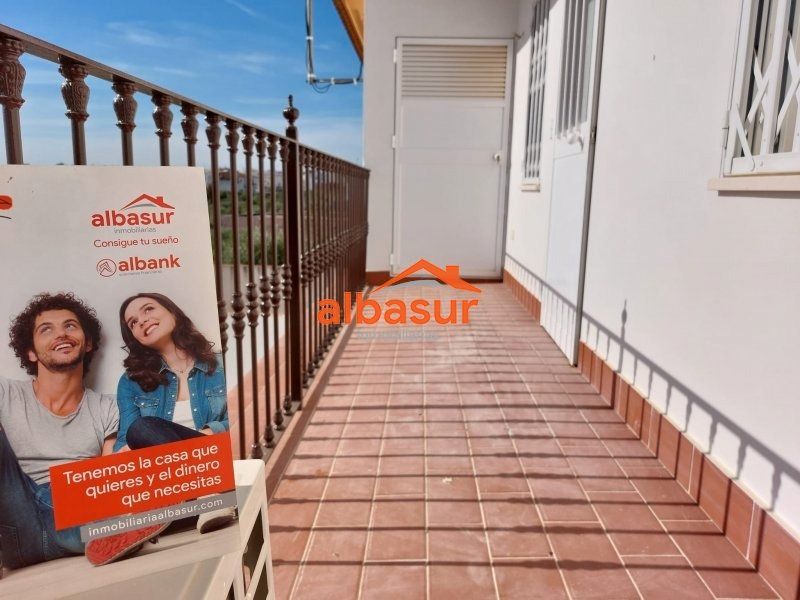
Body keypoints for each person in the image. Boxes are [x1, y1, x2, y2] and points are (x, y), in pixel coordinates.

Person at [0, 292, 121, 569]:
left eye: (70, 325)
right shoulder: (5, 393)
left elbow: (111, 480)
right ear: (30, 351)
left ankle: (112, 532)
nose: (61, 334)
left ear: (87, 342)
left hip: (76, 521)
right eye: (46, 329)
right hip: (16, 526)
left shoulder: (107, 409)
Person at [114, 293, 233, 533]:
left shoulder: (220, 365)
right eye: (133, 323)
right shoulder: (130, 382)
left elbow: (245, 419)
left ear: (173, 312)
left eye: (148, 309)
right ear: (134, 337)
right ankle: (207, 499)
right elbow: (125, 440)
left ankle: (207, 498)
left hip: (219, 465)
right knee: (141, 429)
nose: (142, 321)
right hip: (170, 482)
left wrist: (213, 431)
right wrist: (124, 452)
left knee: (144, 428)